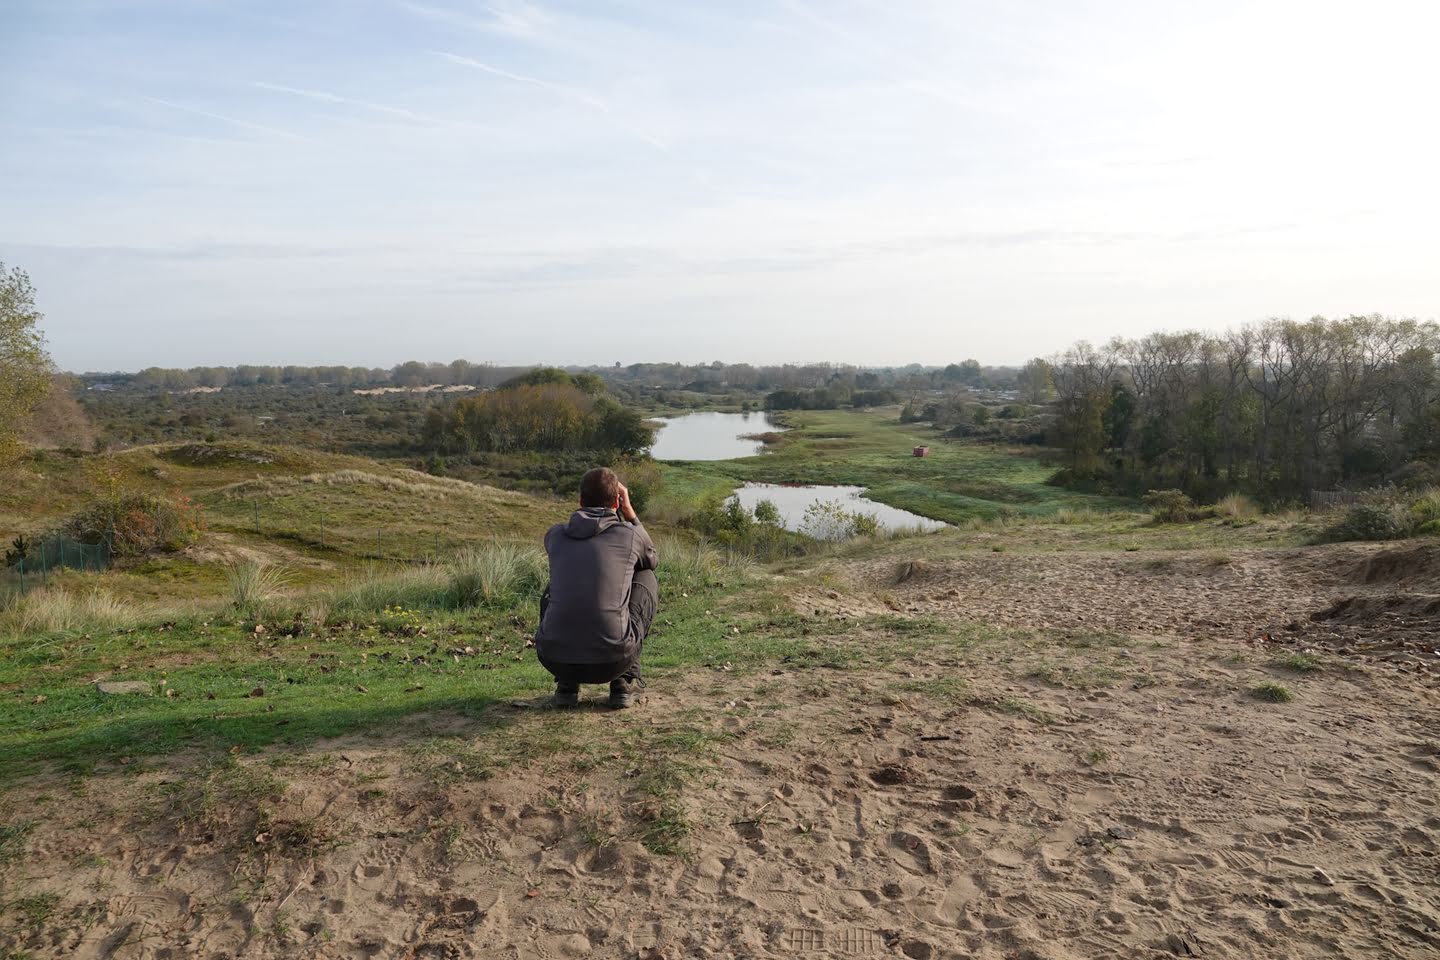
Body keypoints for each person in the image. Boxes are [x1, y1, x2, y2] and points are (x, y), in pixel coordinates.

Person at [534, 467, 659, 709]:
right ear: (617, 501)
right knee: (645, 575)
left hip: (554, 658)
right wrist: (630, 515)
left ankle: (567, 686)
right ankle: (623, 681)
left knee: (556, 588)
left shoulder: (555, 536)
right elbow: (652, 558)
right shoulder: (629, 536)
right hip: (614, 660)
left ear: (580, 501)